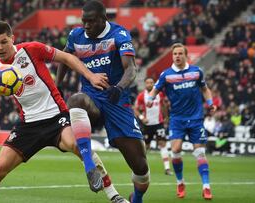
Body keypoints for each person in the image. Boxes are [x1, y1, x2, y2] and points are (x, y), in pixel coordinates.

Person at [0, 21, 126, 203]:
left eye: (3, 42)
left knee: (77, 146)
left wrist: (90, 75)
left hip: (56, 117)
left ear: (12, 38)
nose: (0, 47)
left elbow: (67, 57)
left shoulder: (32, 49)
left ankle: (113, 194)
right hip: (28, 125)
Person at [56, 1, 150, 203]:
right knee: (76, 100)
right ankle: (89, 164)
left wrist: (119, 88)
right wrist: (56, 86)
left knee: (140, 167)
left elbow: (131, 69)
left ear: (103, 19)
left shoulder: (119, 34)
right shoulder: (75, 35)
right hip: (92, 98)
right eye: (84, 21)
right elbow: (65, 59)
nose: (86, 26)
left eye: (91, 21)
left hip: (116, 101)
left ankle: (138, 197)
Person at [146, 43, 216, 200]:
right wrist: (150, 98)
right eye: (174, 54)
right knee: (176, 150)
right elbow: (155, 89)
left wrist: (210, 103)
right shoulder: (167, 75)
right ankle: (180, 182)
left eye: (179, 53)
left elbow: (205, 89)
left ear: (186, 55)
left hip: (196, 118)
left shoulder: (197, 72)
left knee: (199, 151)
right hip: (177, 119)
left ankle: (206, 186)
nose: (177, 56)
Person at [134, 77, 173, 175]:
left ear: (154, 83)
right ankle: (141, 168)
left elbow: (163, 106)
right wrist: (142, 118)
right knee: (145, 147)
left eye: (151, 82)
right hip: (147, 125)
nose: (149, 84)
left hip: (158, 124)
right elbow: (135, 109)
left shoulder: (159, 94)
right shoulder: (141, 96)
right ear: (145, 84)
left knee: (162, 144)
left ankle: (167, 168)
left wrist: (166, 117)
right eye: (147, 83)